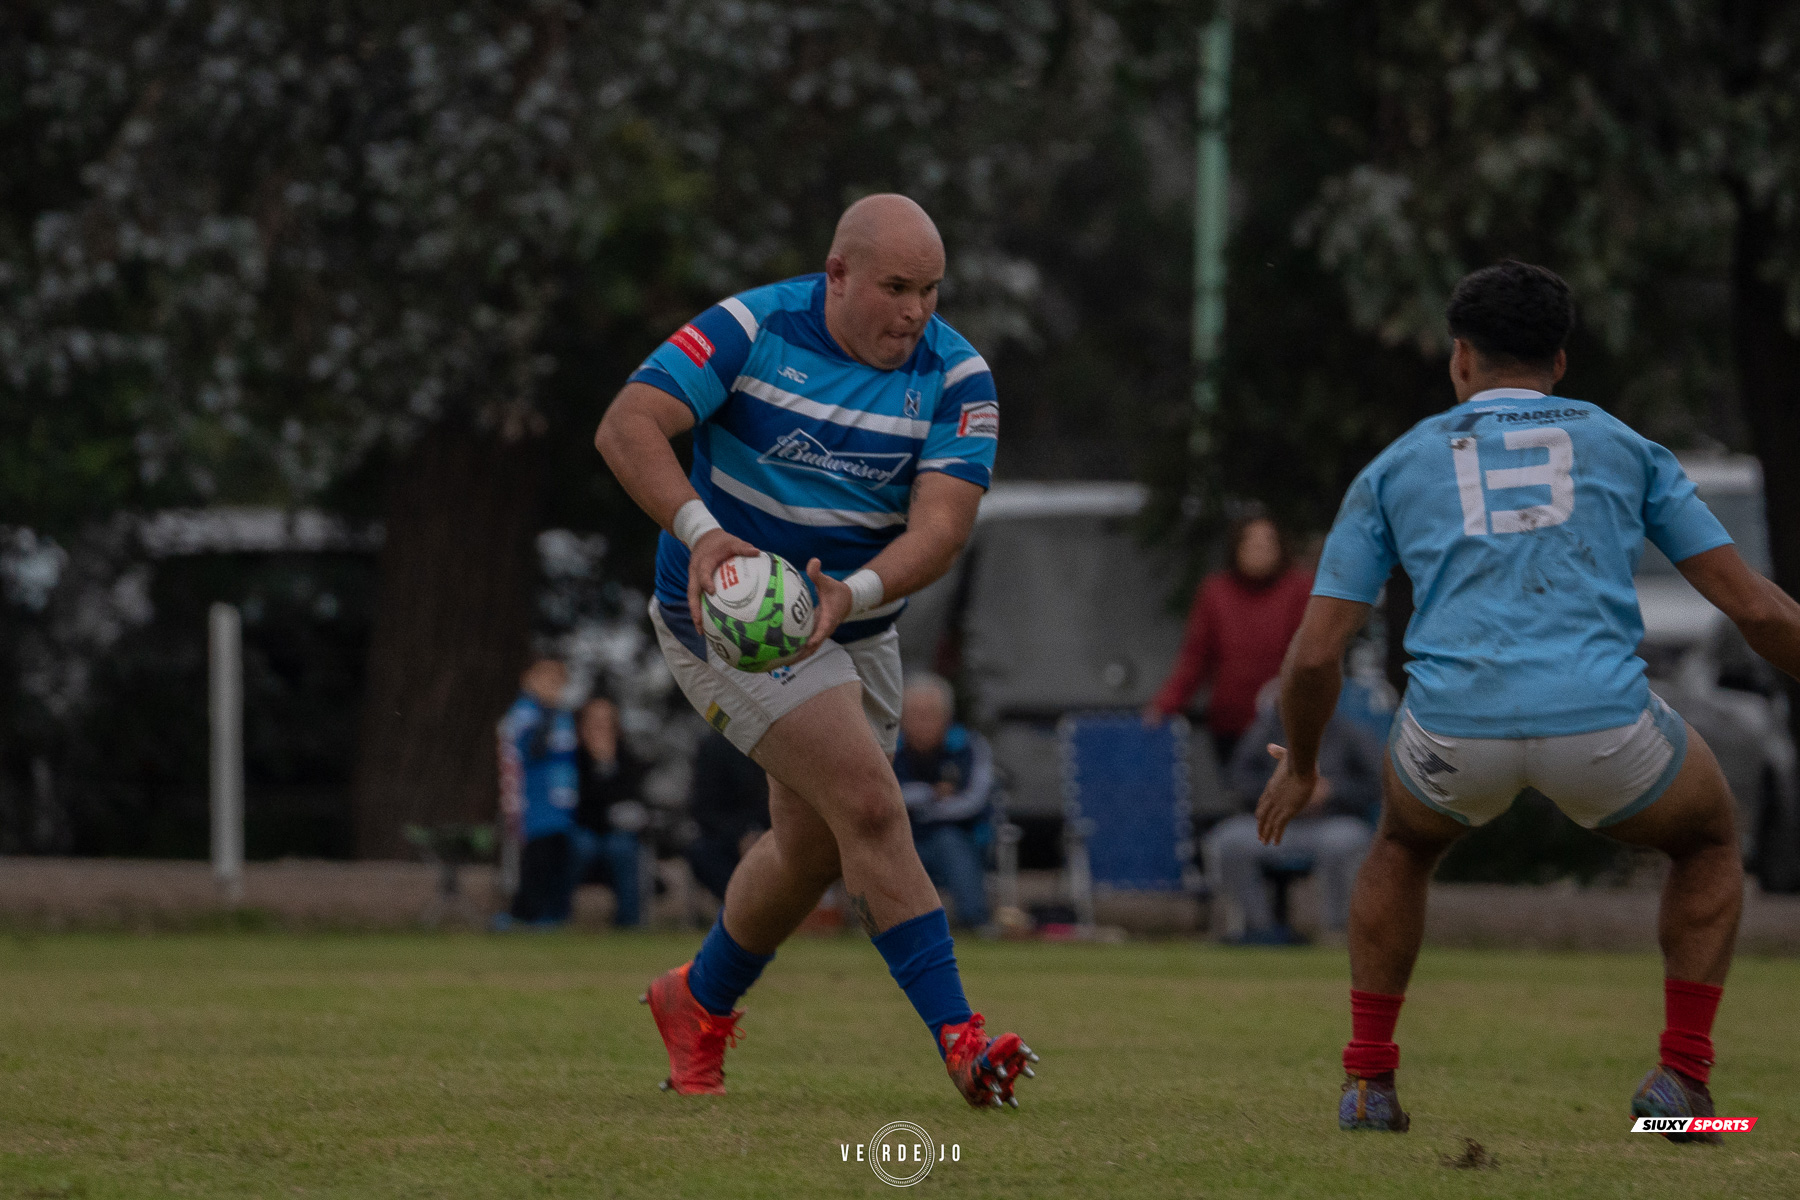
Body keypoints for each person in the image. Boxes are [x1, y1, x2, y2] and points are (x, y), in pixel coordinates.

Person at [1255, 260, 1800, 1141]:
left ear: (1460, 357)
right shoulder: (1627, 447)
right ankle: (1680, 1084)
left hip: (1452, 732)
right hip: (1603, 730)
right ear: (1560, 361)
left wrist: (1304, 766)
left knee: (1401, 845)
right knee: (1706, 839)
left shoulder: (1396, 466)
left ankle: (1369, 1085)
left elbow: (1315, 654)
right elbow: (1758, 611)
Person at [595, 194, 1037, 1105]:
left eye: (931, 291)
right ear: (837, 275)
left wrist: (852, 594)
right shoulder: (752, 329)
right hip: (724, 619)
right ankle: (961, 1040)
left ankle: (696, 1000)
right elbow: (625, 425)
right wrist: (702, 531)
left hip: (854, 624)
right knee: (870, 805)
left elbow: (942, 529)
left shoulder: (958, 378)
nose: (916, 312)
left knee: (814, 849)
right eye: (896, 288)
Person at [1207, 679, 1382, 945]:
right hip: (1276, 822)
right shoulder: (1265, 732)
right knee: (1228, 840)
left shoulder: (1349, 733)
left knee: (1344, 842)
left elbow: (1376, 784)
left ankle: (1338, 932)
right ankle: (1258, 930)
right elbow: (1238, 779)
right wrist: (1278, 791)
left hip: (1332, 822)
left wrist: (1331, 791)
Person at [1145, 507, 1312, 764]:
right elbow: (1195, 658)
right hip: (1230, 726)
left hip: (1287, 725)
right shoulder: (1216, 592)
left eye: (1268, 543)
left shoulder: (1299, 589)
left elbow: (1311, 655)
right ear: (1236, 548)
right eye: (1251, 543)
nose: (1259, 549)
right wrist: (1165, 705)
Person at [894, 673, 998, 930]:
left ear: (946, 717)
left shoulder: (970, 746)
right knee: (891, 848)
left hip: (960, 838)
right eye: (915, 714)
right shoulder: (889, 747)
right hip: (902, 836)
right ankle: (892, 926)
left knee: (948, 842)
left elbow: (975, 800)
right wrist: (930, 794)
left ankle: (974, 921)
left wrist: (921, 810)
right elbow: (882, 796)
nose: (922, 722)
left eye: (930, 714)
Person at [497, 657, 581, 926]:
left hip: (561, 802)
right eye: (544, 679)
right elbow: (522, 751)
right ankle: (524, 912)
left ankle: (553, 913)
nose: (551, 686)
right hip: (534, 800)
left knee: (558, 858)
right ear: (528, 680)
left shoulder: (563, 716)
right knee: (536, 858)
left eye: (557, 681)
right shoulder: (524, 714)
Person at [573, 695, 649, 928]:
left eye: (606, 721)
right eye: (594, 721)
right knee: (580, 846)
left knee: (622, 848)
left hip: (616, 834)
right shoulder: (572, 759)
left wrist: (606, 765)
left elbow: (633, 801)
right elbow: (579, 803)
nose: (600, 728)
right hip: (582, 829)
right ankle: (555, 915)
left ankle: (629, 923)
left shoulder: (628, 760)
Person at [685, 729, 772, 904]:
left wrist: (760, 833)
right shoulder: (715, 747)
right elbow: (705, 808)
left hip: (773, 831)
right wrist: (741, 834)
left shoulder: (774, 743)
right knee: (702, 853)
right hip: (727, 836)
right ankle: (745, 905)